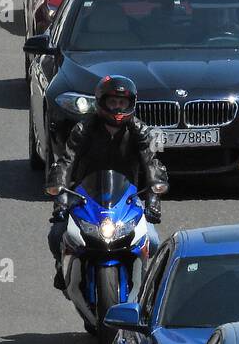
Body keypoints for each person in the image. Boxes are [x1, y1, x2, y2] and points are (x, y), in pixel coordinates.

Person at [46, 74, 164, 291]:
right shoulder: (83, 129)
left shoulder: (140, 131)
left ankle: (149, 286)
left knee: (154, 240)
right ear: (101, 102)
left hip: (127, 198)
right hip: (86, 195)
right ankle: (60, 266)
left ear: (131, 104)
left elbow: (151, 164)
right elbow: (66, 162)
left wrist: (153, 200)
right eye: (112, 102)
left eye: (122, 103)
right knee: (56, 234)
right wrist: (61, 199)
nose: (118, 108)